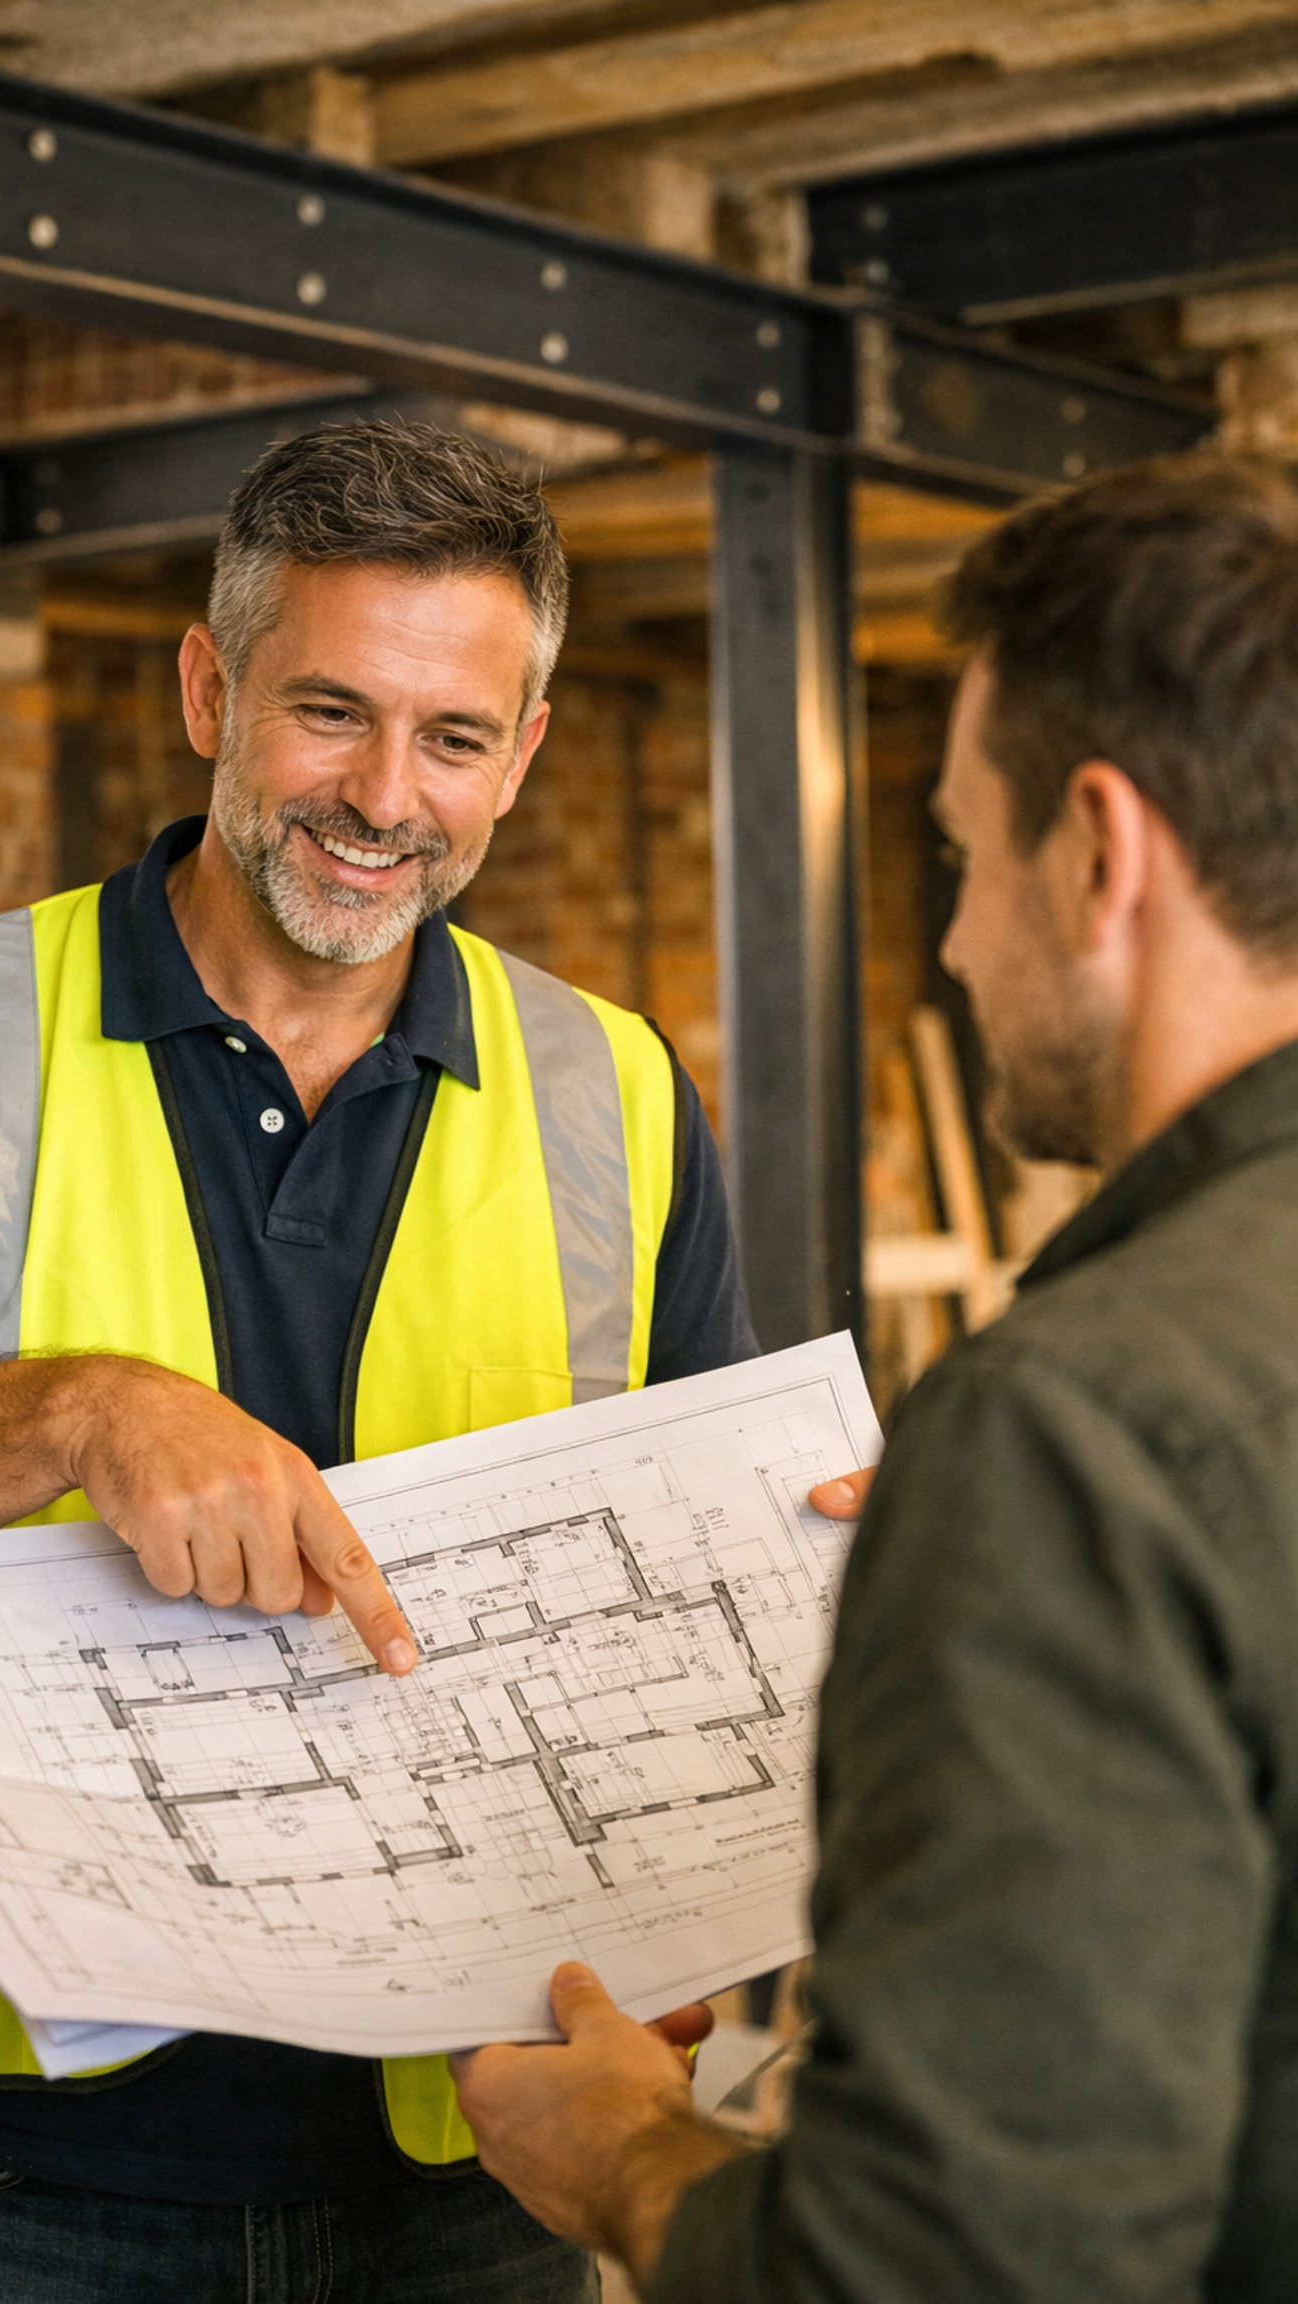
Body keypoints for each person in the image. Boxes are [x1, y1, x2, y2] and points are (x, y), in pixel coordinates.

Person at [0, 420, 847, 2303]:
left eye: (450, 738)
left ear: (520, 754)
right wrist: (72, 1410)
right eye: (329, 712)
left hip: (479, 2144)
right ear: (210, 687)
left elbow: (694, 1584)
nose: (382, 798)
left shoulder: (620, 1094)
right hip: (15, 2165)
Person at [453, 453, 1298, 2304]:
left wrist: (621, 2155)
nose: (953, 938)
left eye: (966, 853)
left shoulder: (1074, 1430)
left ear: (1098, 852)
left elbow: (950, 2265)